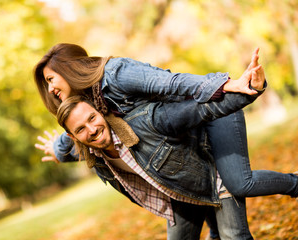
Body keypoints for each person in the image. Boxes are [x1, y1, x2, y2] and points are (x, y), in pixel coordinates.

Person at [33, 43, 298, 200]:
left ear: (68, 68)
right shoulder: (90, 104)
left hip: (211, 111)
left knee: (240, 184)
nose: (51, 89)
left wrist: (230, 85)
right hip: (185, 140)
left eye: (50, 79)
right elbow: (88, 139)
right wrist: (58, 151)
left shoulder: (116, 74)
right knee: (188, 188)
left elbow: (173, 83)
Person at [49, 90, 264, 239]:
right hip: (181, 193)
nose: (92, 129)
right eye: (80, 129)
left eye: (92, 118)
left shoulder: (142, 124)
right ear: (73, 136)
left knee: (234, 236)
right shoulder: (95, 155)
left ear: (100, 111)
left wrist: (247, 91)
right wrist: (58, 153)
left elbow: (199, 110)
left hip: (214, 176)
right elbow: (74, 151)